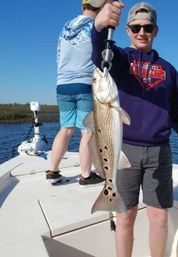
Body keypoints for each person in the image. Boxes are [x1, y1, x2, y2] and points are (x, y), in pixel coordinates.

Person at [92, 1, 178, 257]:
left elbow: (177, 109)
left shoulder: (169, 70)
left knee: (159, 218)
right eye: (136, 27)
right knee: (125, 218)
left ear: (155, 30)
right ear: (127, 30)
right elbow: (98, 53)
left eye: (147, 27)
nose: (141, 32)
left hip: (159, 152)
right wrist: (98, 26)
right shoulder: (120, 59)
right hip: (123, 149)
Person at [46, 0, 107, 185]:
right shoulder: (98, 27)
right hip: (84, 84)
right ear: (102, 8)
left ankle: (53, 171)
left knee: (65, 129)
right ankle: (86, 175)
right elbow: (103, 57)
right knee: (87, 132)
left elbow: (58, 55)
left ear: (83, 6)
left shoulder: (66, 26)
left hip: (63, 84)